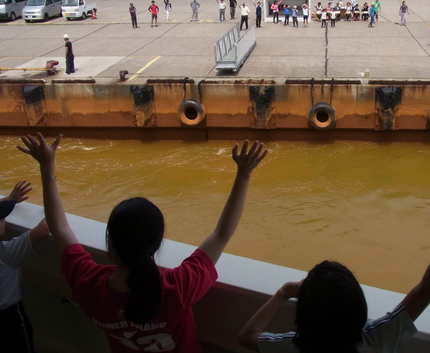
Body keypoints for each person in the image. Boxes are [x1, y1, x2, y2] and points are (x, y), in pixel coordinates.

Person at [18, 133, 267, 353]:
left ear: (111, 246)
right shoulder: (176, 288)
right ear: (157, 244)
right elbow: (222, 233)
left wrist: (47, 168)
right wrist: (243, 174)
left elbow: (59, 227)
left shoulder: (88, 285)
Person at [239, 178, 430, 352]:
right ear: (359, 306)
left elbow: (247, 335)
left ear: (304, 318)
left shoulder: (294, 346)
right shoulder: (377, 340)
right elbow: (428, 289)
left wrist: (284, 292)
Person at [1, 180, 50, 353]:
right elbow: (45, 227)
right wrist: (53, 198)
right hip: (8, 317)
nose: (4, 218)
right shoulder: (5, 254)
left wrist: (10, 198)